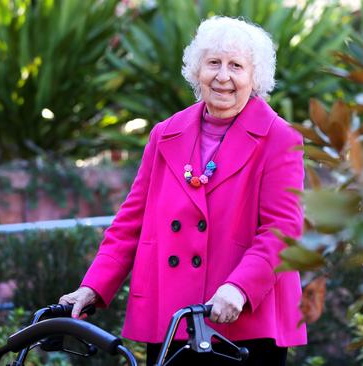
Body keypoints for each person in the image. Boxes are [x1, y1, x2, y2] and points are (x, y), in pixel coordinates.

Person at [59, 16, 306, 366]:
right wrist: (93, 286)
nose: (223, 76)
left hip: (242, 321)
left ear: (255, 76)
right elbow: (131, 221)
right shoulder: (165, 134)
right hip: (171, 317)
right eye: (213, 63)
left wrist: (240, 286)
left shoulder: (280, 139)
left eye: (236, 65)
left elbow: (284, 230)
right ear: (196, 70)